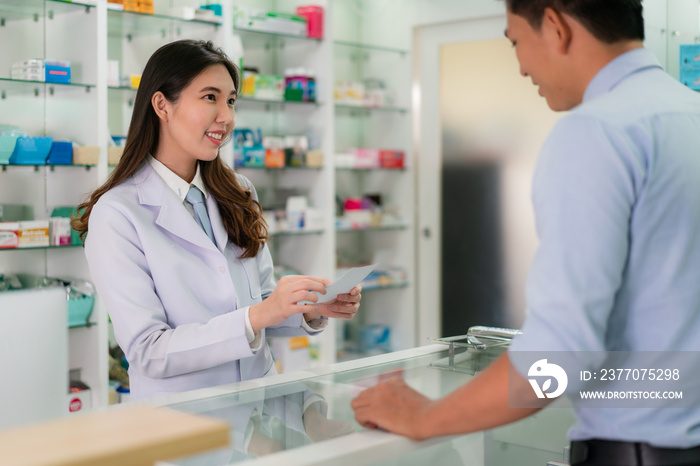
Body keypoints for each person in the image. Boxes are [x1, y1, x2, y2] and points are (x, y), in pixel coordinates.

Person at [352, 1, 700, 464]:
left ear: (555, 26)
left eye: (516, 42)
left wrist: (426, 416)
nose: (519, 67)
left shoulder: (595, 132)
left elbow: (561, 353)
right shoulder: (688, 113)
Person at [73, 40, 361, 401]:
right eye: (210, 97)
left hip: (259, 411)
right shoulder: (118, 213)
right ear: (162, 105)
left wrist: (310, 308)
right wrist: (256, 316)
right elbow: (148, 351)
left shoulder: (238, 191)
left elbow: (262, 302)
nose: (226, 117)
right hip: (182, 425)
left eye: (230, 100)